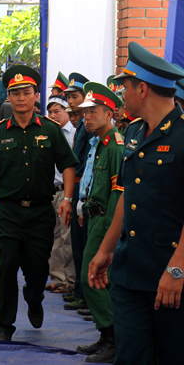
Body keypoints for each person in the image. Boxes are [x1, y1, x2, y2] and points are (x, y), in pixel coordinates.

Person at [89, 42, 184, 365]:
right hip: (130, 269)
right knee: (130, 357)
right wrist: (105, 251)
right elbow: (128, 194)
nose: (121, 96)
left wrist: (177, 267)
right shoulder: (134, 132)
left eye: (124, 87)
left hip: (170, 270)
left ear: (142, 89)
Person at [0, 65, 78, 341]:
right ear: (8, 97)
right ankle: (3, 327)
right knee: (5, 267)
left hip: (41, 211)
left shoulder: (51, 131)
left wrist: (67, 198)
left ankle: (34, 297)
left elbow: (68, 166)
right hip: (6, 211)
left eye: (26, 92)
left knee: (37, 267)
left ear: (35, 96)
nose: (21, 98)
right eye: (15, 93)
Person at [69, 81, 125, 362]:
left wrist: (108, 230)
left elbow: (119, 192)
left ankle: (113, 337)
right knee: (94, 278)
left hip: (105, 221)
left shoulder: (114, 146)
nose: (87, 116)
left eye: (94, 111)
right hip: (93, 216)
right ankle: (106, 335)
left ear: (110, 113)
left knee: (92, 278)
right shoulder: (98, 144)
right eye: (86, 112)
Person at [63, 72, 91, 311]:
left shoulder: (89, 126)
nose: (70, 101)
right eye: (68, 97)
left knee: (84, 244)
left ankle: (86, 296)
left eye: (74, 96)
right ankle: (80, 291)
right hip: (78, 187)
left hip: (85, 188)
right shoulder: (80, 125)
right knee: (77, 244)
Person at [45, 96, 76, 294]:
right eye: (50, 112)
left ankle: (70, 281)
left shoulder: (74, 133)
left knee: (67, 237)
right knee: (53, 237)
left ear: (66, 111)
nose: (54, 115)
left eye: (58, 111)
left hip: (66, 191)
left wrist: (69, 197)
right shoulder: (48, 133)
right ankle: (57, 278)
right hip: (51, 191)